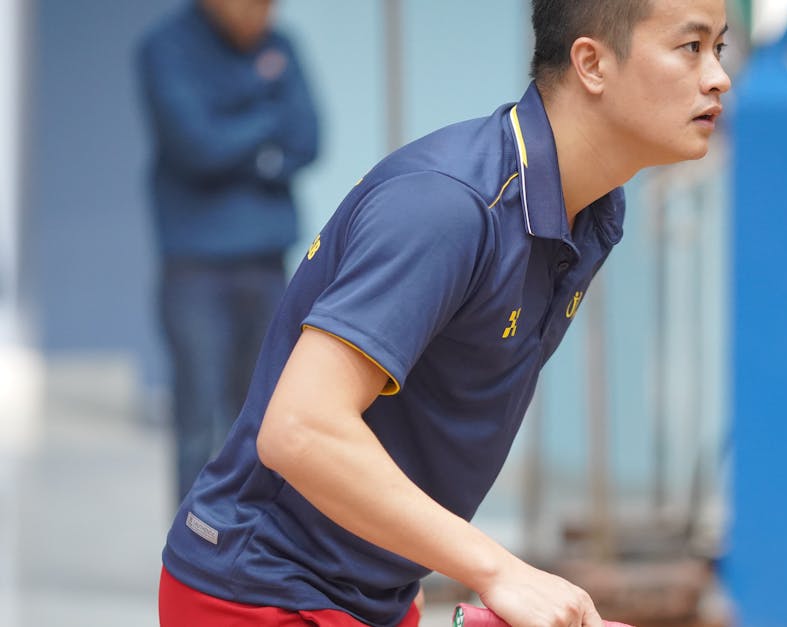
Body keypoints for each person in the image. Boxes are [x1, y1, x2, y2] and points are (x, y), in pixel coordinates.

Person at [157, 0, 730, 625]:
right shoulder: (449, 207)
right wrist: (498, 569)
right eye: (690, 47)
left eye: (720, 49)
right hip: (260, 591)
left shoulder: (591, 210)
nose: (718, 77)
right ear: (591, 63)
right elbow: (299, 430)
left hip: (376, 590)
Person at [136, 0, 320, 504]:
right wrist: (265, 119)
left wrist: (232, 126)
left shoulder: (281, 47)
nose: (263, 14)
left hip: (267, 268)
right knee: (198, 425)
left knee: (269, 423)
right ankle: (191, 562)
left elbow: (308, 138)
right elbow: (196, 147)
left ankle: (253, 556)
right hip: (195, 271)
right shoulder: (165, 48)